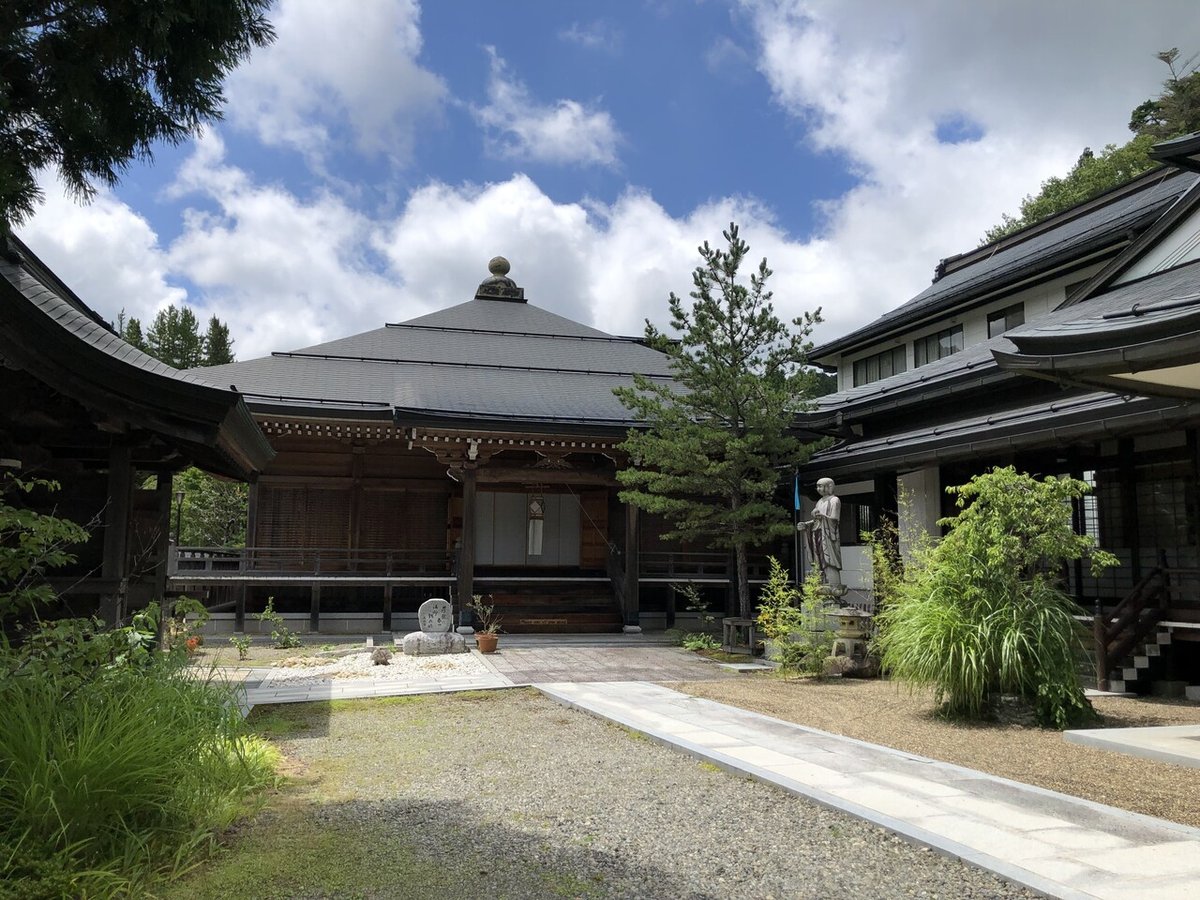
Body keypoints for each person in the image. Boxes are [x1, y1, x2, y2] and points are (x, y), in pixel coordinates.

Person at [798, 477, 845, 596]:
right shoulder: (819, 502)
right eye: (817, 486)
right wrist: (806, 525)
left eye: (821, 486)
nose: (819, 489)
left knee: (828, 559)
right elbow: (816, 521)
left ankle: (833, 583)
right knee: (818, 558)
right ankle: (821, 580)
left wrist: (821, 516)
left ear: (830, 487)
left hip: (828, 535)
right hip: (817, 532)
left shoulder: (834, 500)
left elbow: (834, 519)